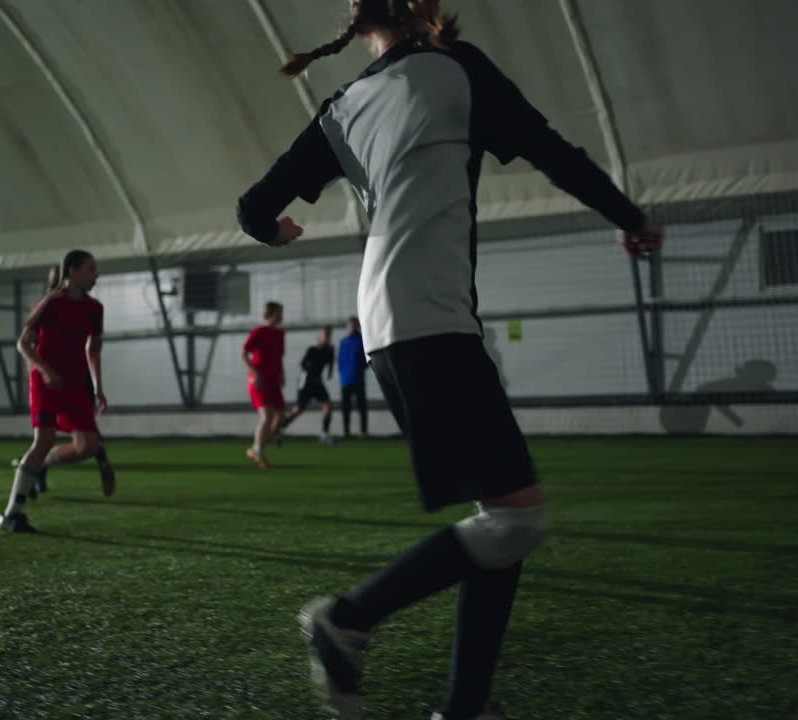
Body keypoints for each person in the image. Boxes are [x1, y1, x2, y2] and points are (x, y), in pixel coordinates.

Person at [236, 2, 663, 718]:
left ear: (359, 22)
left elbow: (253, 208)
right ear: (427, 9)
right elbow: (552, 151)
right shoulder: (456, 69)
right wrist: (631, 218)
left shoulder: (341, 106)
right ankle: (347, 618)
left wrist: (277, 231)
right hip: (429, 315)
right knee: (515, 521)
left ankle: (467, 705)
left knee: (499, 519)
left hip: (384, 321)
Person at [0, 250, 115, 534]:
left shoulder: (94, 308)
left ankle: (40, 464)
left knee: (88, 446)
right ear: (72, 271)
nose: (96, 275)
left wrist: (98, 386)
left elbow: (93, 348)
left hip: (74, 383)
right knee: (44, 439)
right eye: (90, 269)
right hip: (46, 382)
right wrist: (45, 370)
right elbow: (23, 344)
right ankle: (12, 514)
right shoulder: (51, 303)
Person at [241, 302, 286, 468]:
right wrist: (256, 373)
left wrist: (282, 375)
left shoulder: (280, 334)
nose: (281, 316)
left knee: (280, 417)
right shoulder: (259, 332)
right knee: (267, 416)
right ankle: (259, 452)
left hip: (274, 380)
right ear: (271, 314)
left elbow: (278, 358)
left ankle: (255, 449)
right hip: (259, 381)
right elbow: (243, 354)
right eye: (279, 313)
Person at [275, 326, 337, 445]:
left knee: (328, 406)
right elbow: (303, 364)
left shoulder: (330, 350)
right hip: (306, 383)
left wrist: (329, 372)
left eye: (329, 335)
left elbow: (330, 364)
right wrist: (311, 373)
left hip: (318, 383)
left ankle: (324, 435)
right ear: (320, 336)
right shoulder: (312, 350)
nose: (327, 337)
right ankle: (279, 430)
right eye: (325, 334)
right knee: (298, 409)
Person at [338, 316, 369, 438]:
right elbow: (340, 360)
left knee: (362, 407)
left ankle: (364, 431)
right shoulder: (343, 342)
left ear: (358, 326)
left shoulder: (362, 340)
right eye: (350, 325)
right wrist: (342, 374)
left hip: (358, 379)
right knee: (346, 408)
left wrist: (360, 369)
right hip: (345, 380)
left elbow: (367, 359)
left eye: (354, 325)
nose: (351, 327)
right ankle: (346, 432)